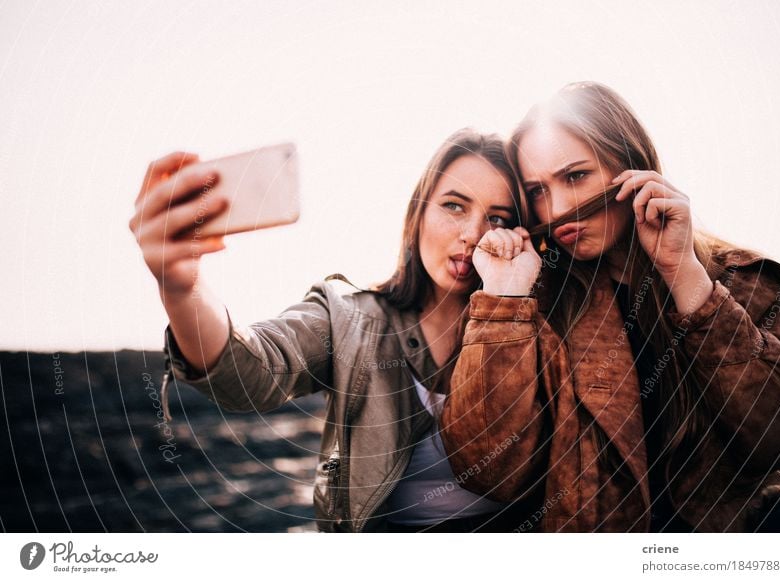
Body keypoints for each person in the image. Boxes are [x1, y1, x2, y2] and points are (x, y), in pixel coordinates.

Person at [128, 128, 537, 532]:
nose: (472, 234)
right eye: (453, 206)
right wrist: (183, 288)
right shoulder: (347, 320)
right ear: (418, 215)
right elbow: (248, 373)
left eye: (498, 218)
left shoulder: (543, 326)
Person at [439, 82, 780, 533]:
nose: (561, 207)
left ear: (632, 166)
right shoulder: (537, 301)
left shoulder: (749, 282)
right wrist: (505, 300)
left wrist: (684, 273)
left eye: (575, 177)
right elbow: (489, 471)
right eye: (536, 191)